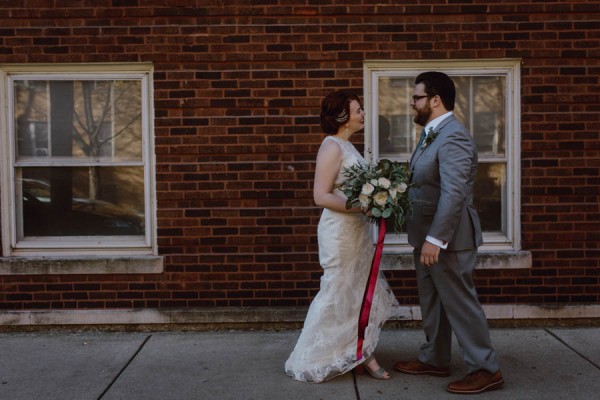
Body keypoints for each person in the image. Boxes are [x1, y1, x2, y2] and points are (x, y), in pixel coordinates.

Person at [393, 72, 504, 394]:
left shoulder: (453, 136)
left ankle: (486, 368)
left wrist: (435, 239)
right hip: (426, 236)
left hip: (448, 241)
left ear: (435, 99)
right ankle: (435, 358)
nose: (412, 103)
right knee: (433, 302)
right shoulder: (431, 133)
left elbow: (454, 193)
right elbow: (428, 184)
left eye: (416, 97)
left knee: (460, 303)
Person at [285, 90, 398, 383]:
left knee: (357, 293)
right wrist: (363, 205)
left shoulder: (348, 146)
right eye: (358, 110)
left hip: (357, 231)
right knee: (338, 291)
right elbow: (320, 196)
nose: (363, 114)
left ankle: (358, 352)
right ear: (343, 117)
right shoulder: (332, 148)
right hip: (339, 233)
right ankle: (314, 357)